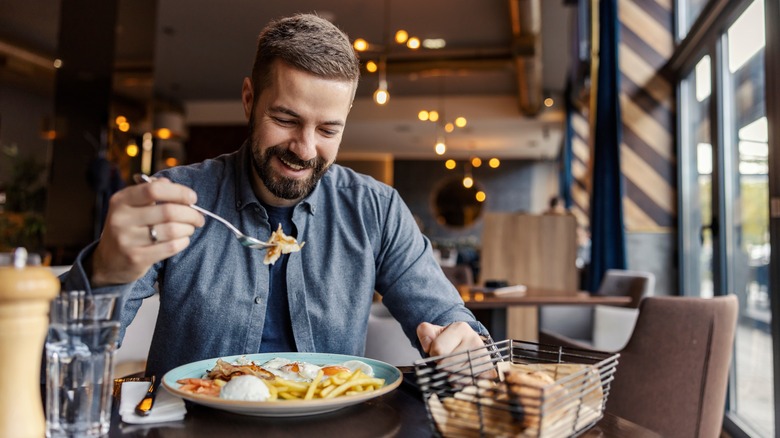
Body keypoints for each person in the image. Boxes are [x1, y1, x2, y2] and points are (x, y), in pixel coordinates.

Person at [61, 13, 490, 377]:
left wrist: (461, 348)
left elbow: (453, 327)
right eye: (286, 119)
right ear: (249, 100)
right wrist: (104, 274)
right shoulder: (176, 197)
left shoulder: (376, 210)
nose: (304, 149)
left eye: (327, 130)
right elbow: (65, 356)